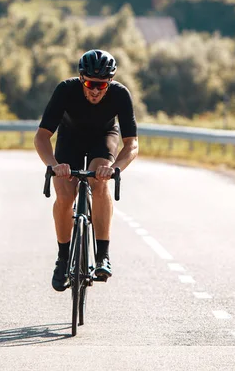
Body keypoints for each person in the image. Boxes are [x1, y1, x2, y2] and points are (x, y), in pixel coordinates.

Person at [34, 49, 139, 292]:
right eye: (90, 83)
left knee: (100, 180)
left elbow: (131, 144)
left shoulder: (120, 94)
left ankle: (103, 255)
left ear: (109, 82)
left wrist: (115, 169)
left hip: (102, 138)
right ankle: (63, 258)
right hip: (69, 138)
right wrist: (53, 165)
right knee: (64, 193)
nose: (95, 90)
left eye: (101, 85)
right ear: (81, 79)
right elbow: (41, 138)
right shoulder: (65, 90)